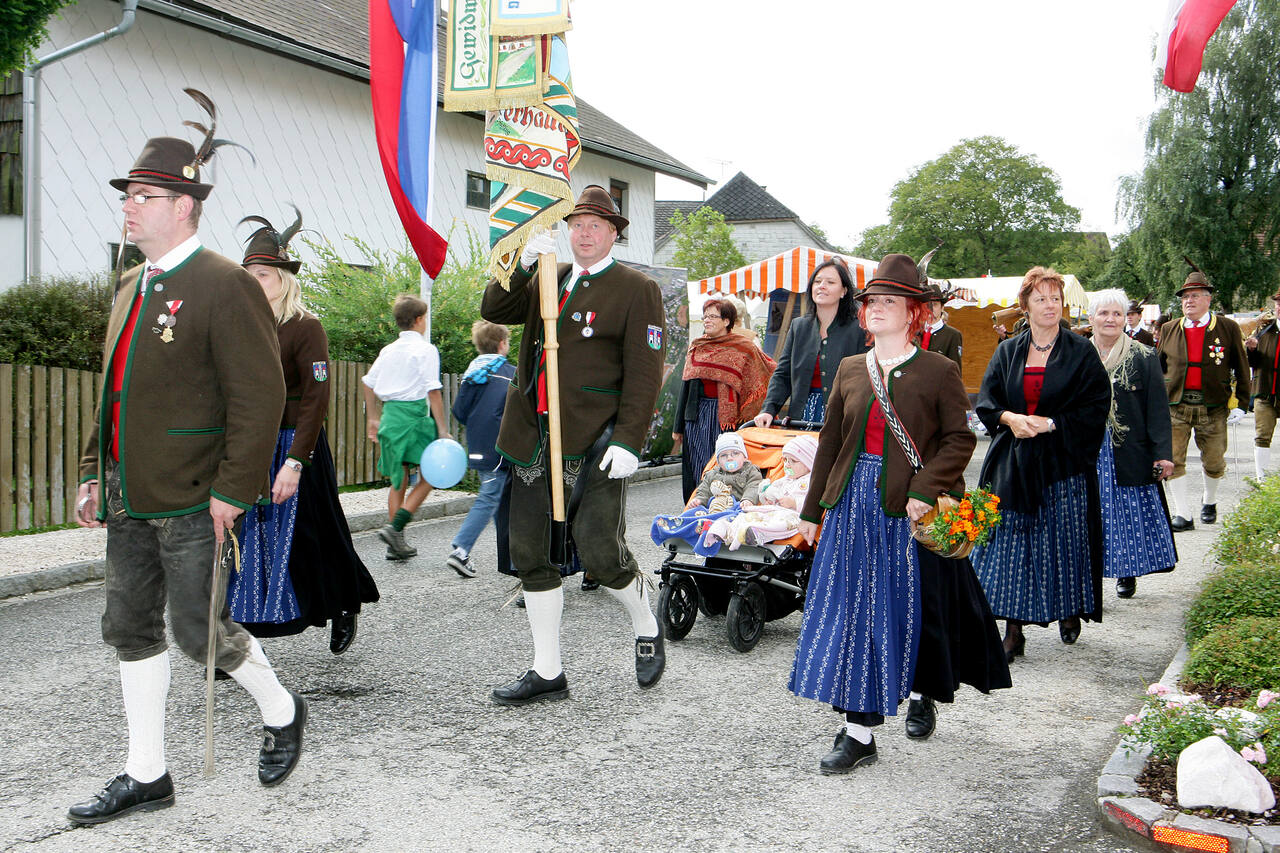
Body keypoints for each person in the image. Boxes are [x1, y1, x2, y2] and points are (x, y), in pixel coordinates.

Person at [70, 105, 305, 825]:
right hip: (130, 493)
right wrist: (91, 468)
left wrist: (236, 487)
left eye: (142, 197)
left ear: (185, 204)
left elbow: (259, 396)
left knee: (199, 632)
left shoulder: (225, 282)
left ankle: (284, 708)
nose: (127, 208)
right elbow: (112, 386)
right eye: (127, 196)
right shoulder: (131, 284)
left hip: (198, 497)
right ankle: (147, 772)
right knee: (128, 625)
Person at [788, 253, 980, 774]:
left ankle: (918, 691)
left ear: (914, 311)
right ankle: (858, 732)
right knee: (855, 613)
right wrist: (812, 510)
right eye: (871, 301)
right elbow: (830, 441)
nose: (875, 309)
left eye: (888, 302)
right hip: (852, 507)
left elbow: (960, 438)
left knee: (904, 611)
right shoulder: (852, 368)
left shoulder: (938, 370)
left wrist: (925, 486)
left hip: (906, 511)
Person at [480, 185, 668, 704]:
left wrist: (630, 438)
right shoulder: (551, 275)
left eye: (595, 225)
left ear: (614, 233)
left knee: (600, 551)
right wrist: (522, 257)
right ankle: (547, 670)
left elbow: (646, 373)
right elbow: (493, 305)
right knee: (529, 552)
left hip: (597, 438)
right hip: (534, 435)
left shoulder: (636, 288)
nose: (583, 233)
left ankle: (645, 623)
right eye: (576, 224)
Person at [226, 210, 379, 653]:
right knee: (245, 540)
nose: (256, 282)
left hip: (296, 447)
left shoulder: (305, 327)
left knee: (316, 536)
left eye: (264, 275)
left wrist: (295, 460)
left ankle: (344, 603)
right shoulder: (238, 329)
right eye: (249, 275)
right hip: (250, 448)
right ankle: (235, 639)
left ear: (285, 278)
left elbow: (316, 396)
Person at [972, 267, 1111, 663]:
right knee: (1013, 546)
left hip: (1062, 462)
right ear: (1025, 305)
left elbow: (1096, 405)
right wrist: (1011, 419)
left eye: (1055, 298)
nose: (1050, 306)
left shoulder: (1080, 351)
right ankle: (1013, 632)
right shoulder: (1008, 350)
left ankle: (1068, 609)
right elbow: (987, 401)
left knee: (1063, 544)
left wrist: (1051, 423)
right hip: (1014, 462)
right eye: (1041, 299)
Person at [1087, 290, 1177, 599]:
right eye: (1103, 313)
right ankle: (1089, 576)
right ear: (1091, 319)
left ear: (1126, 318)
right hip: (1086, 452)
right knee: (1089, 512)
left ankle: (1126, 571)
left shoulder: (1144, 355)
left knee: (1125, 515)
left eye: (1117, 314)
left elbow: (1157, 410)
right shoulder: (1075, 355)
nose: (1110, 319)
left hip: (1128, 450)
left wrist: (1163, 454)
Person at [1155, 263, 1250, 531]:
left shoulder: (1227, 328)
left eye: (1195, 295)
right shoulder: (1170, 328)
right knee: (1172, 460)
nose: (1189, 301)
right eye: (1185, 297)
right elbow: (1158, 367)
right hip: (1176, 404)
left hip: (1214, 406)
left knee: (1214, 460)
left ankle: (1209, 501)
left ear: (1208, 299)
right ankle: (1183, 514)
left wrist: (1242, 404)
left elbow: (1242, 368)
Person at [361, 295, 452, 559]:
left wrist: (372, 418)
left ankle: (395, 544)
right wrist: (443, 430)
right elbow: (433, 392)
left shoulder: (389, 350)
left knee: (398, 479)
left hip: (390, 418)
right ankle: (395, 527)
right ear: (420, 320)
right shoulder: (425, 350)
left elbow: (368, 383)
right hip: (414, 420)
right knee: (430, 476)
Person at [673, 298, 775, 501]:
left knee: (728, 466)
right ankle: (698, 509)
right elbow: (686, 386)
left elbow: (767, 371)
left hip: (727, 418)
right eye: (705, 316)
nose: (706, 320)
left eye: (712, 316)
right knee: (699, 464)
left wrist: (758, 409)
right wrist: (678, 427)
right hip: (697, 416)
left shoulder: (744, 347)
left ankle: (727, 509)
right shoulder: (697, 345)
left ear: (727, 321)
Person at [754, 259, 868, 429]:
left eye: (830, 282)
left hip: (843, 417)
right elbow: (783, 374)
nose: (822, 286)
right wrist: (769, 409)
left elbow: (864, 381)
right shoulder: (799, 326)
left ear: (844, 291)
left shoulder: (859, 328)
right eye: (817, 281)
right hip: (800, 415)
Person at [446, 320, 517, 577]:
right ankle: (461, 551)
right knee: (489, 498)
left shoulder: (472, 374)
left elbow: (459, 411)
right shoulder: (509, 373)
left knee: (498, 500)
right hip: (500, 446)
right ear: (502, 344)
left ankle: (511, 558)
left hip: (477, 444)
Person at [1245, 291, 1280, 480]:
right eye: (1278, 304)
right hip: (1264, 391)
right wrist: (1250, 349)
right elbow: (1252, 362)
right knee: (1262, 436)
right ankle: (1262, 480)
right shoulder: (1265, 330)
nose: (1279, 307)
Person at [919, 283, 964, 375]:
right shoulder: (915, 332)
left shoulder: (952, 335)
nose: (930, 309)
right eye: (927, 305)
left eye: (934, 305)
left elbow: (955, 370)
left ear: (942, 308)